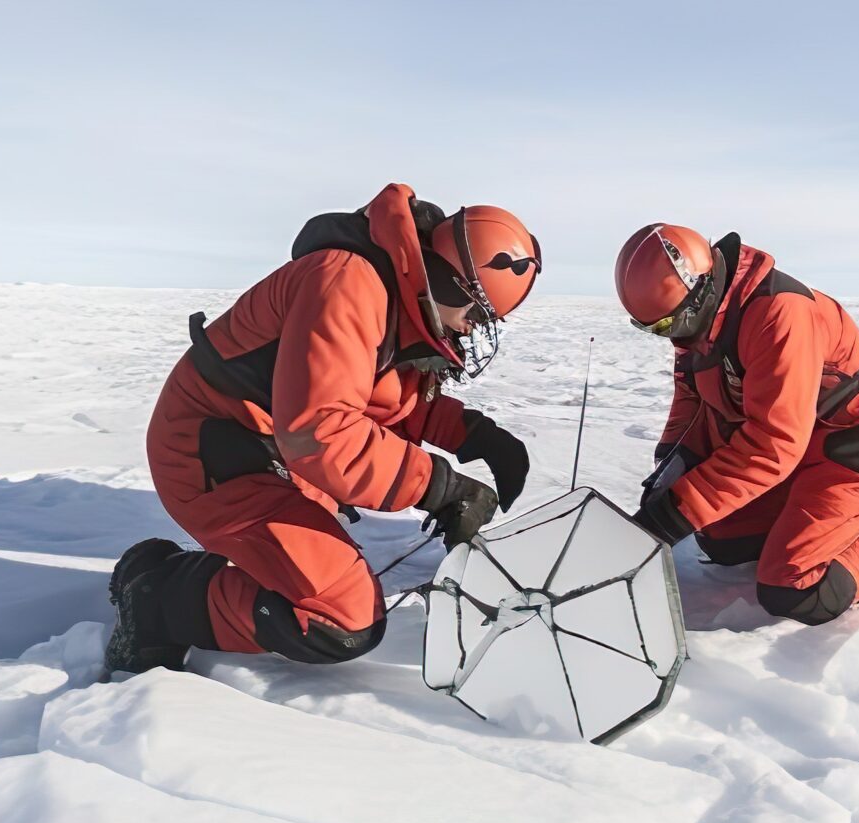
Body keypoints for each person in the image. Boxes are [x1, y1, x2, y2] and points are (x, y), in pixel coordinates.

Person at [103, 183, 542, 676]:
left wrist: (474, 433)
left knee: (326, 580)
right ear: (449, 284)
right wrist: (440, 487)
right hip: (210, 450)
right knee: (339, 617)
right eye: (477, 314)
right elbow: (322, 433)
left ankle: (208, 577)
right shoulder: (347, 283)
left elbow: (382, 396)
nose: (471, 329)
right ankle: (158, 601)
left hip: (273, 453)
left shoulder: (393, 294)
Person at [616, 222, 859, 624]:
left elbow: (773, 442)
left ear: (700, 291)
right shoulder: (698, 325)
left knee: (793, 588)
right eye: (651, 329)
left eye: (668, 325)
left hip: (855, 446)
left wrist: (673, 513)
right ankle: (809, 523)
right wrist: (672, 462)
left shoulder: (779, 313)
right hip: (796, 447)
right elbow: (691, 395)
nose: (670, 339)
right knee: (721, 539)